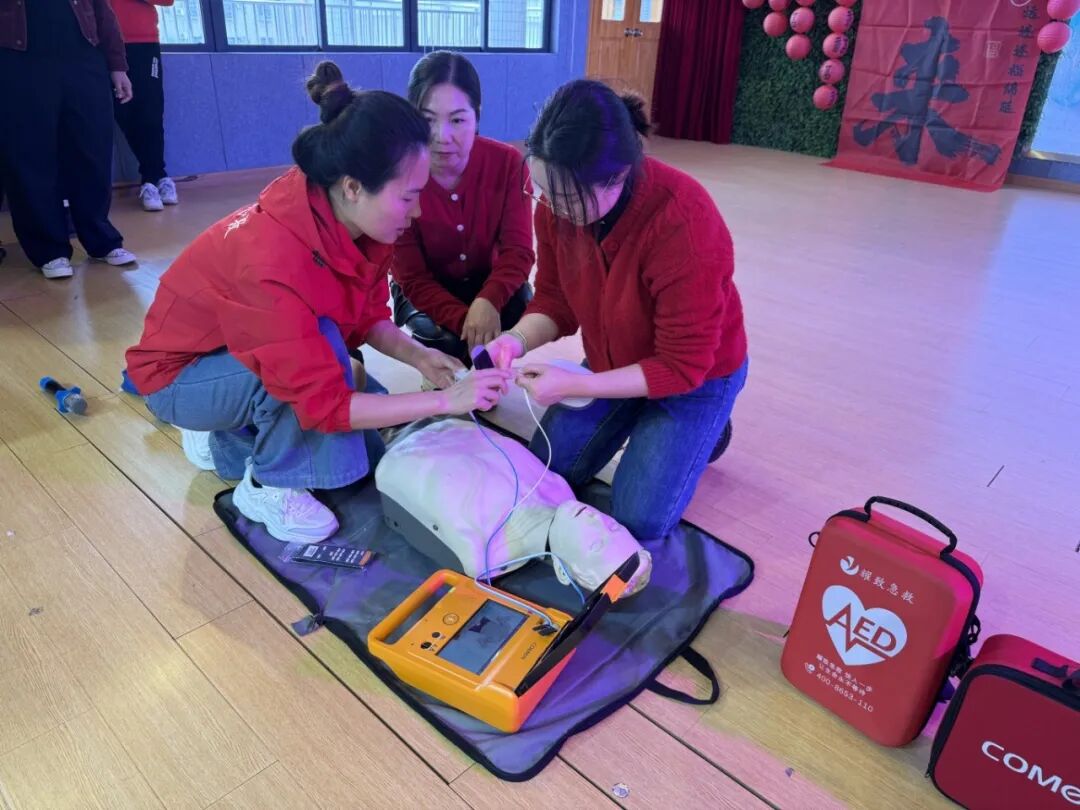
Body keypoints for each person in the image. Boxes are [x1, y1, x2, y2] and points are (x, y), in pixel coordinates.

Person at [125, 62, 511, 544]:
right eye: (408, 196)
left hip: (230, 354)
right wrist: (444, 400)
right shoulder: (273, 257)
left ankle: (228, 436)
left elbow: (366, 315)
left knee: (357, 427)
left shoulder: (350, 219)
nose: (416, 211)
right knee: (332, 387)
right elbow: (324, 402)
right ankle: (265, 485)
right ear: (353, 187)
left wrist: (419, 356)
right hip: (179, 377)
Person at [484, 79, 749, 543]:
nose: (552, 208)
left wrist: (578, 384)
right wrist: (515, 340)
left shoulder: (684, 219)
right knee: (551, 465)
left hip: (698, 375)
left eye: (565, 198)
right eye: (543, 191)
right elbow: (554, 300)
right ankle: (649, 420)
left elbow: (683, 365)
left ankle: (708, 427)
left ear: (617, 176)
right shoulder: (556, 205)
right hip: (617, 359)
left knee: (639, 516)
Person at [390, 51, 535, 366]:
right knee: (447, 339)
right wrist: (467, 322)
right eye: (428, 120)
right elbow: (411, 276)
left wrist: (489, 300)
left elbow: (519, 251)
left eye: (457, 120)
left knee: (518, 306)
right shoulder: (397, 171)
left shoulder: (508, 163)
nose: (442, 137)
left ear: (476, 116)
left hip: (488, 279)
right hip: (424, 288)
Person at [0, 0, 138, 279]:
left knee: (92, 150)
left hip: (84, 57)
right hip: (20, 61)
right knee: (31, 158)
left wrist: (118, 66)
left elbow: (103, 12)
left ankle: (101, 240)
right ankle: (48, 250)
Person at [111, 0, 180, 212]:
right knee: (124, 112)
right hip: (105, 41)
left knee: (151, 112)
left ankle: (154, 178)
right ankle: (154, 175)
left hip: (143, 42)